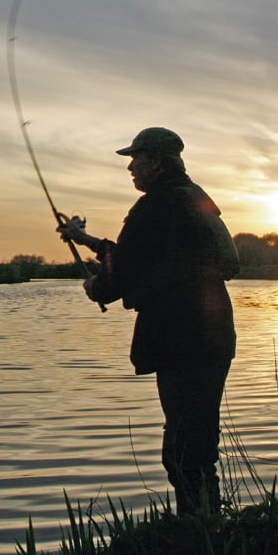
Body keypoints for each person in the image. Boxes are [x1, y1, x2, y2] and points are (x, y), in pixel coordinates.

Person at [57, 126, 240, 515]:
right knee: (196, 445)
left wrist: (97, 287)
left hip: (181, 343)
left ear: (156, 161)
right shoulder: (197, 199)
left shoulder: (156, 206)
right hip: (214, 338)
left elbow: (120, 274)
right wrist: (86, 240)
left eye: (136, 159)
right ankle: (208, 528)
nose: (131, 168)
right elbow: (223, 262)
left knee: (184, 451)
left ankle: (200, 536)